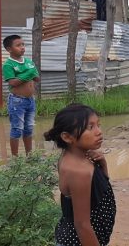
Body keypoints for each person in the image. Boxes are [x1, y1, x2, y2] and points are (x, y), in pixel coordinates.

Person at [45, 104, 116, 246]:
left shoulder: (78, 157)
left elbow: (101, 191)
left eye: (98, 125)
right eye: (90, 127)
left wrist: (103, 165)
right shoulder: (78, 172)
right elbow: (82, 224)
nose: (99, 132)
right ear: (67, 137)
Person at [2, 34, 40, 157]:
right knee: (17, 129)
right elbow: (12, 82)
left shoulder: (28, 61)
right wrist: (29, 73)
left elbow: (37, 78)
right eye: (18, 45)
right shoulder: (8, 65)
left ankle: (30, 156)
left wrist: (28, 74)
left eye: (23, 44)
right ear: (9, 49)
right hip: (17, 101)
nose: (22, 47)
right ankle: (15, 159)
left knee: (29, 128)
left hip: (30, 100)